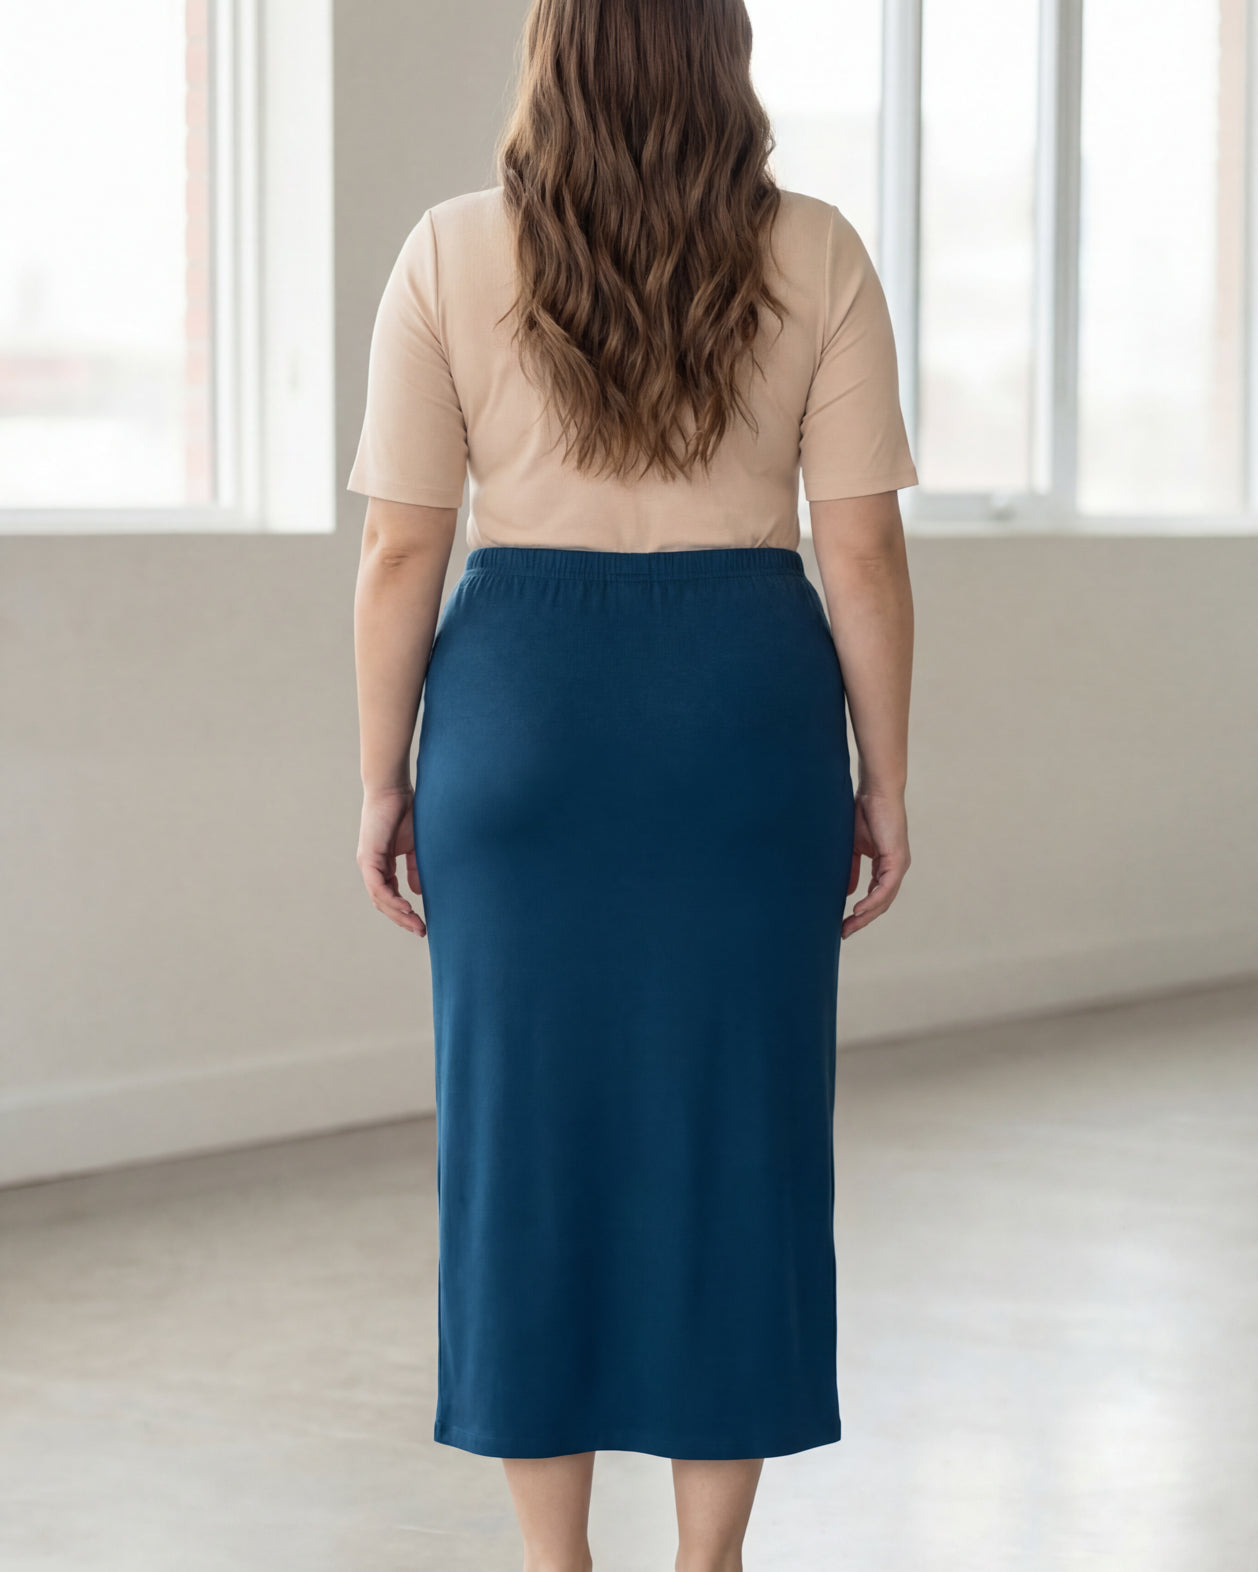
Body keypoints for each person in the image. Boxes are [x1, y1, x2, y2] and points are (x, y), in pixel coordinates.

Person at [348, 1, 916, 1566]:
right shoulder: (818, 251)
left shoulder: (448, 252)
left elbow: (404, 545)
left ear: (552, 57)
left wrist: (381, 779)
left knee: (521, 1139)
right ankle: (708, 1554)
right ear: (721, 54)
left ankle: (554, 1558)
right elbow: (857, 543)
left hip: (517, 712)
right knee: (739, 1134)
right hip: (743, 715)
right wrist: (885, 777)